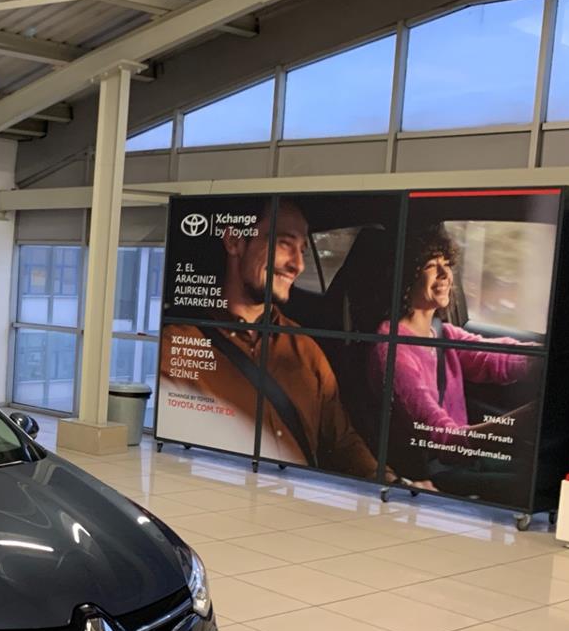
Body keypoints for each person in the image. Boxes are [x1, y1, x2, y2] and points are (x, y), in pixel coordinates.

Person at [164, 201, 397, 480]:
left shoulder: (305, 349)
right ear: (235, 241)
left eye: (303, 251)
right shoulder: (176, 345)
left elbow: (342, 441)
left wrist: (391, 483)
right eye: (284, 244)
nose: (298, 265)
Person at [371, 223, 538, 495]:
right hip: (438, 469)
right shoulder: (392, 348)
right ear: (406, 274)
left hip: (464, 456)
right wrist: (514, 424)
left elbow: (492, 356)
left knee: (539, 471)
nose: (445, 274)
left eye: (447, 264)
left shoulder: (441, 332)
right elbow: (440, 437)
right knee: (531, 484)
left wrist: (542, 359)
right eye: (431, 265)